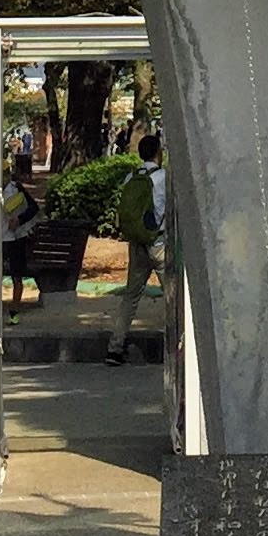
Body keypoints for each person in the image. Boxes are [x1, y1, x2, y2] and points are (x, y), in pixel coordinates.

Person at [105, 131, 166, 364]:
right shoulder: (162, 177)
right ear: (158, 152)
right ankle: (177, 345)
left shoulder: (131, 178)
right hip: (159, 243)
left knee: (130, 297)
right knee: (172, 296)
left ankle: (115, 347)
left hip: (136, 244)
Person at [1, 149, 45, 312]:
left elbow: (33, 208)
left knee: (16, 275)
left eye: (5, 174)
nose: (3, 178)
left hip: (15, 238)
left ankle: (15, 310)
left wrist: (19, 220)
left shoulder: (16, 188)